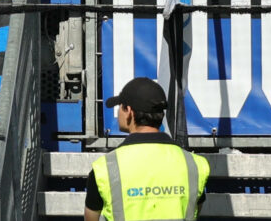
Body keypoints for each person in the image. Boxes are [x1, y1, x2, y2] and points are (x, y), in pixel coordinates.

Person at [84, 78, 208, 221]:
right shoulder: (194, 165)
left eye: (120, 107)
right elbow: (194, 211)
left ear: (129, 111)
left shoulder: (104, 169)